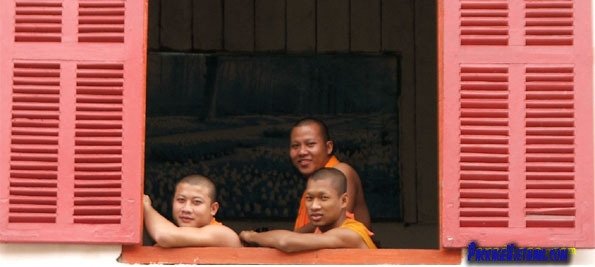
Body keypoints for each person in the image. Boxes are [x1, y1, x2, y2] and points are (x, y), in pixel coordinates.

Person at [239, 168, 377, 252]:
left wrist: (252, 236)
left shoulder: (350, 234)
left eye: (323, 198)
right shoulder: (320, 232)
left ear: (344, 201)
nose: (314, 206)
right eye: (309, 198)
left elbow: (286, 242)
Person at [289, 117, 371, 233]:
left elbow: (332, 223)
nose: (302, 152)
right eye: (295, 146)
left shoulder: (341, 173)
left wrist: (284, 239)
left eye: (310, 144)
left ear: (328, 147)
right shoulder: (316, 181)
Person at [143, 174, 241, 248]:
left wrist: (146, 206)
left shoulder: (224, 234)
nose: (186, 209)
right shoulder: (172, 238)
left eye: (196, 202)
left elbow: (164, 236)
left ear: (213, 209)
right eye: (181, 200)